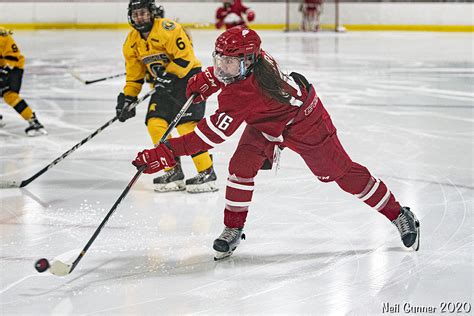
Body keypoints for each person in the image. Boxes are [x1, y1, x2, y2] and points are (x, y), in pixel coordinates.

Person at [132, 26, 420, 260]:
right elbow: (232, 76)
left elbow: (209, 136)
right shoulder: (251, 62)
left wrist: (167, 152)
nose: (222, 67)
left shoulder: (245, 93)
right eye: (219, 60)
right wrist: (211, 77)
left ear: (248, 61)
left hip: (305, 123)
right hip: (266, 120)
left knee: (340, 174)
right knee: (241, 166)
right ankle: (233, 230)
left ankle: (399, 214)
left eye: (229, 63)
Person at [117, 0, 218, 193]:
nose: (140, 17)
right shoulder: (131, 41)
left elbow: (186, 57)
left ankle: (206, 171)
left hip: (187, 79)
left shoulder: (167, 28)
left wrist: (169, 75)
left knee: (186, 126)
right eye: (136, 13)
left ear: (152, 13)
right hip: (163, 84)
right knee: (155, 122)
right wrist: (128, 98)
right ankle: (173, 170)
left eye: (143, 13)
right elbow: (134, 76)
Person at [0, 27, 47, 136]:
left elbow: (13, 56)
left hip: (14, 68)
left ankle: (34, 122)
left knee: (10, 95)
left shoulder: (3, 36)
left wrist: (5, 71)